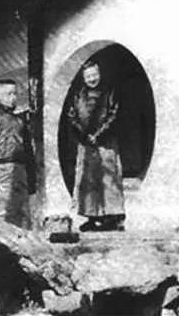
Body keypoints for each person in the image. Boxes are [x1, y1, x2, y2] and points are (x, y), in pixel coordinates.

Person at [67, 61, 125, 232]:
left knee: (108, 179)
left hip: (106, 142)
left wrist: (99, 135)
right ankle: (92, 217)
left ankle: (112, 217)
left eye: (94, 75)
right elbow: (71, 116)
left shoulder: (110, 92)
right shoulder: (78, 95)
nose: (92, 79)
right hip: (86, 144)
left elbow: (114, 114)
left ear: (99, 74)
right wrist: (84, 136)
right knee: (88, 181)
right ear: (83, 78)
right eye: (88, 76)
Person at [0, 79, 36, 228]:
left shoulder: (21, 122)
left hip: (20, 172)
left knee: (22, 214)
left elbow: (29, 150)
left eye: (15, 94)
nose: (13, 98)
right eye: (9, 94)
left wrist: (32, 181)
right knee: (1, 215)